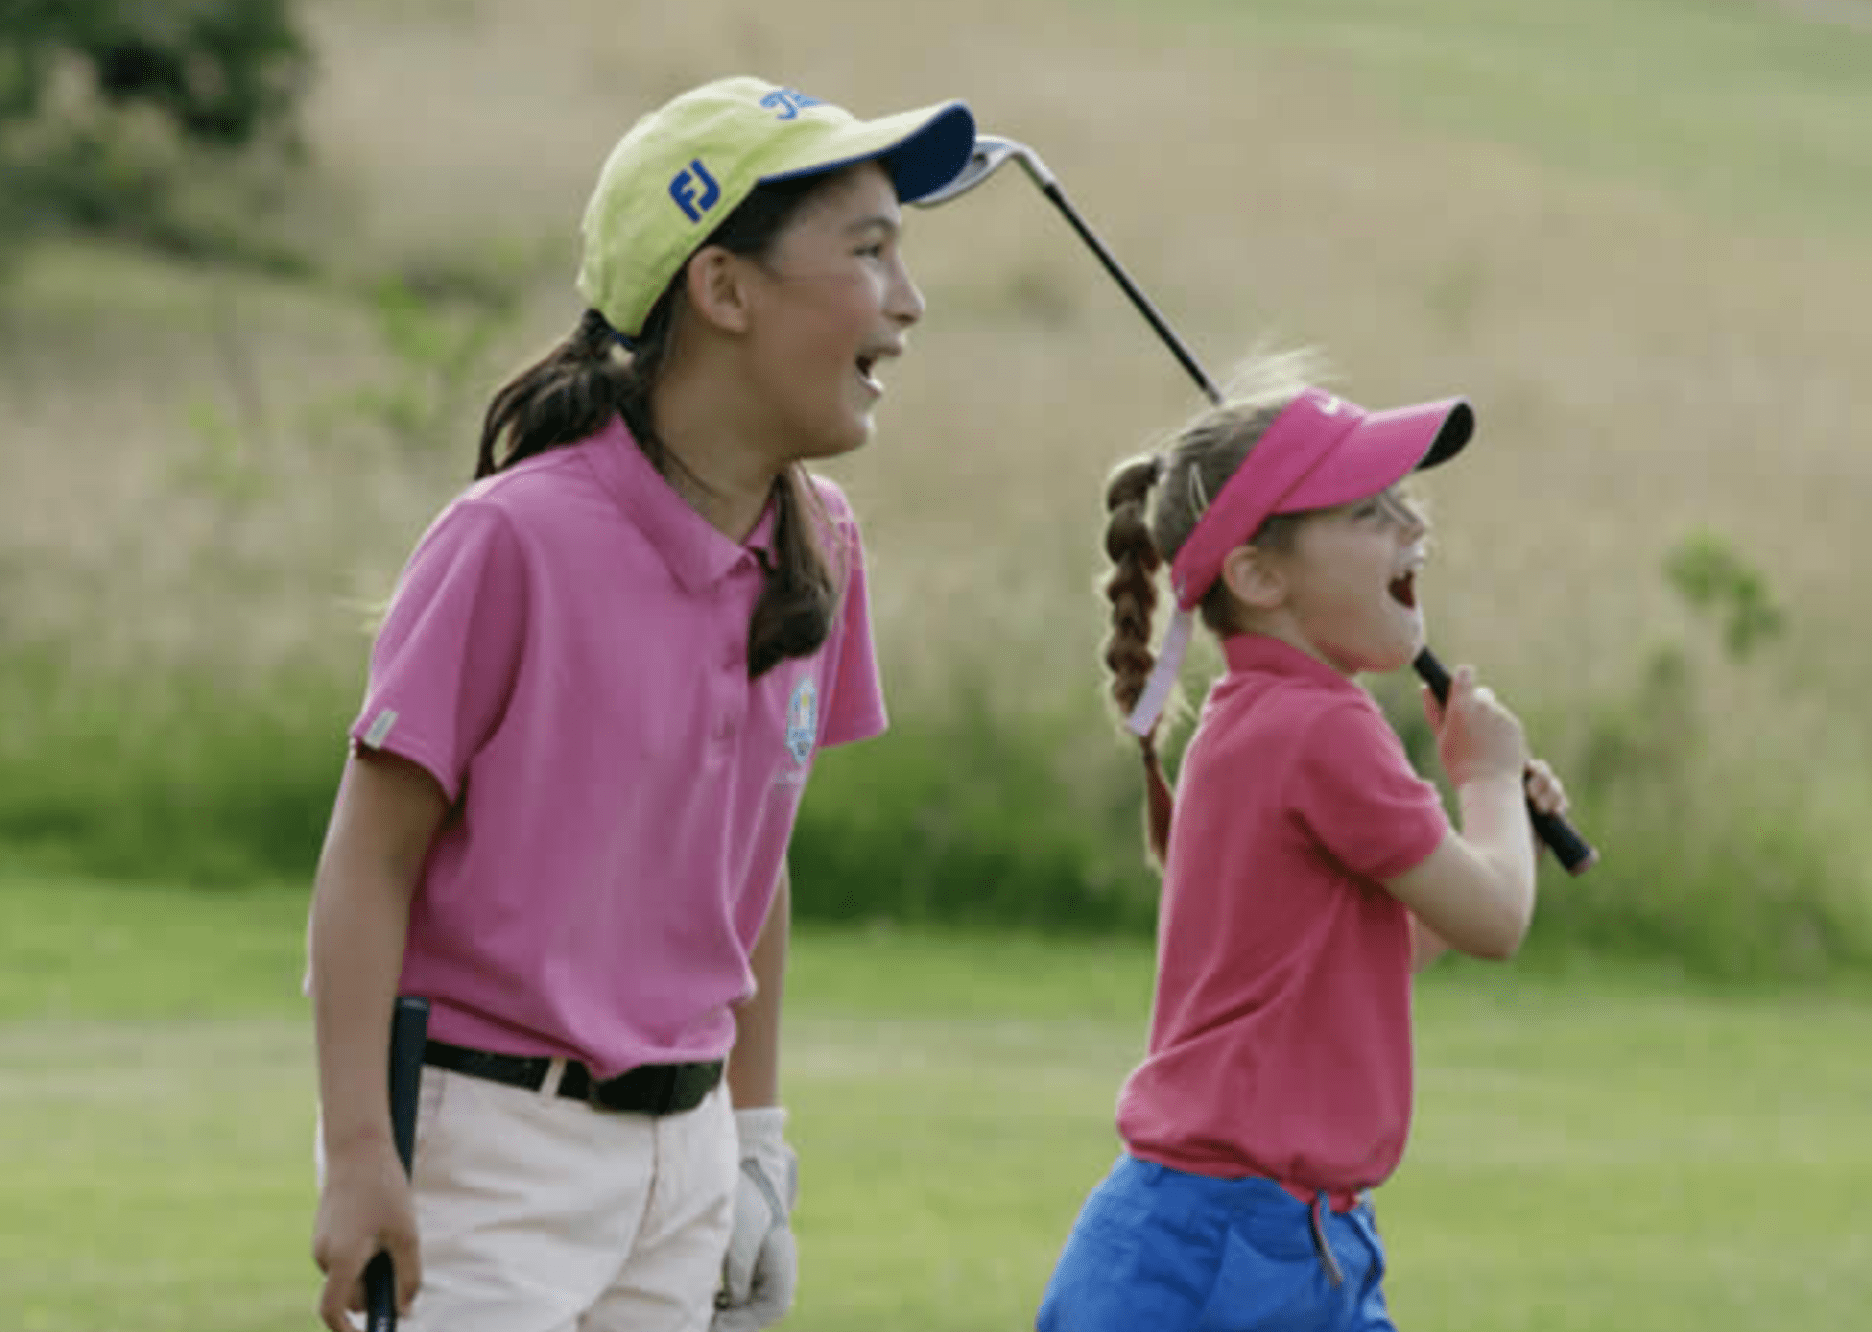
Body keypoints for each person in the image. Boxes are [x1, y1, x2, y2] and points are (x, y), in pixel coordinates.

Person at [306, 76, 976, 1332]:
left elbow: (750, 865)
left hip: (691, 1150)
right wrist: (359, 1158)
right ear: (723, 291)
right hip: (489, 1149)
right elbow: (367, 858)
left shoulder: (821, 543)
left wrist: (759, 1148)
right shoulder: (512, 539)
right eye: (870, 252)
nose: (909, 300)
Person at [1035, 354, 1571, 1332]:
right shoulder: (1321, 729)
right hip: (1228, 1248)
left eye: (1405, 501)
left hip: (1281, 1234)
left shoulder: (1257, 718)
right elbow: (1494, 922)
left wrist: (1491, 833)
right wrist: (1490, 785)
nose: (1415, 526)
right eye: (1370, 512)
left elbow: (1379, 951)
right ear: (1257, 574)